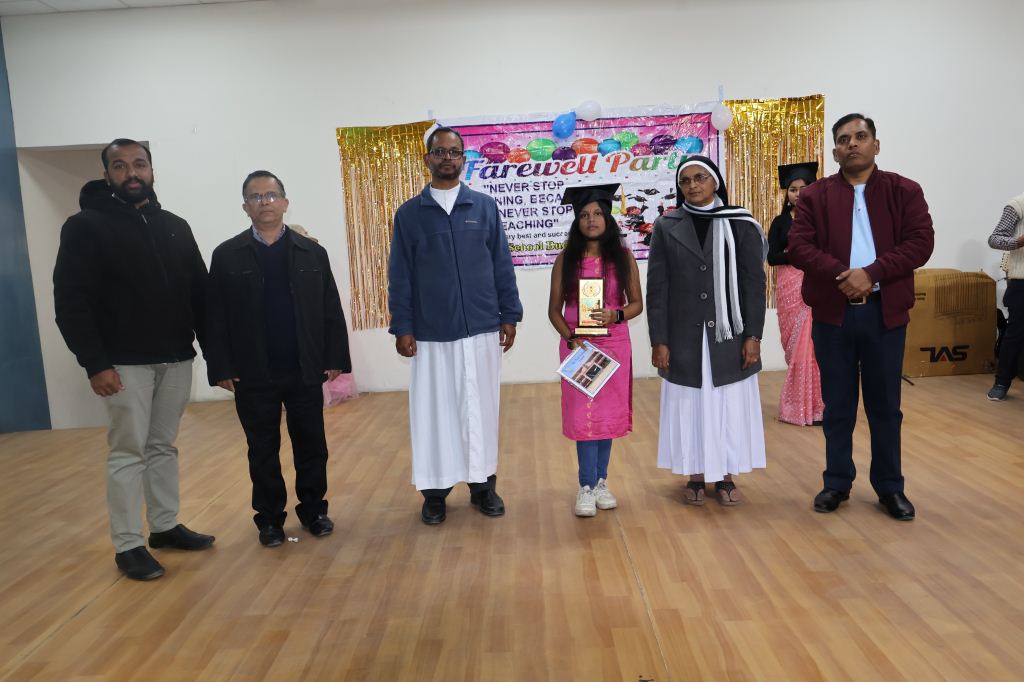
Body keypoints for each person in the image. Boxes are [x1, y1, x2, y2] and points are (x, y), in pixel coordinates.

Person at [53, 138, 214, 581]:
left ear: (152, 170)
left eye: (139, 164)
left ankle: (164, 526)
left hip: (176, 358)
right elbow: (71, 302)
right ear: (107, 174)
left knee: (162, 446)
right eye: (120, 166)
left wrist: (215, 356)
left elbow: (200, 295)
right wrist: (95, 363)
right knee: (128, 451)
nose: (132, 173)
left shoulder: (175, 226)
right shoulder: (85, 227)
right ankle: (128, 545)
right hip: (123, 364)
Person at [788, 113, 934, 520]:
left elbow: (921, 242)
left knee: (885, 406)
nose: (852, 143)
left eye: (860, 136)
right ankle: (836, 482)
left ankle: (890, 487)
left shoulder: (904, 191)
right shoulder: (815, 196)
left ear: (876, 145)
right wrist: (844, 275)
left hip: (885, 314)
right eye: (843, 139)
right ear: (835, 151)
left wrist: (871, 273)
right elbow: (799, 247)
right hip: (833, 315)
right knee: (837, 405)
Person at [205, 171, 350, 547]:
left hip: (304, 367)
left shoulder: (311, 253)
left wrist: (335, 356)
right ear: (245, 207)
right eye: (255, 197)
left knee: (311, 445)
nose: (264, 202)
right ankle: (269, 520)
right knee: (262, 450)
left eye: (271, 195)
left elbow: (330, 309)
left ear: (285, 203)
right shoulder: (226, 255)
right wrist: (220, 366)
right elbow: (213, 317)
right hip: (253, 371)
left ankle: (314, 510)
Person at [388, 127, 523, 525]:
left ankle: (483, 487)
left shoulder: (484, 207)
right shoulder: (409, 215)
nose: (447, 158)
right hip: (431, 333)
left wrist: (509, 314)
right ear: (427, 159)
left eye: (454, 152)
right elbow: (400, 276)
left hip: (481, 327)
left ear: (464, 159)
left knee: (481, 410)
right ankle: (435, 493)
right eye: (440, 152)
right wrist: (403, 326)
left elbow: (501, 263)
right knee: (436, 414)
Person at [647, 155, 768, 506]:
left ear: (716, 183)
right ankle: (696, 474)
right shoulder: (666, 225)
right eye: (685, 181)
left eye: (700, 178)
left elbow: (753, 284)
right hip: (684, 336)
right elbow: (657, 289)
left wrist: (754, 336)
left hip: (729, 336)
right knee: (691, 406)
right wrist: (659, 340)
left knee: (727, 405)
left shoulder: (739, 222)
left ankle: (726, 476)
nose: (693, 185)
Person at [548, 184, 643, 517]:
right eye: (585, 215)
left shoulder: (623, 258)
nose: (591, 220)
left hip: (614, 345)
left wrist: (616, 315)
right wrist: (571, 338)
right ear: (577, 221)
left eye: (598, 213)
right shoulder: (566, 260)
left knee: (606, 417)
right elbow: (554, 311)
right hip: (579, 347)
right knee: (583, 416)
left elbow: (636, 304)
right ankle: (585, 486)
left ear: (608, 218)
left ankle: (602, 482)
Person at [767, 162, 825, 426]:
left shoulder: (822, 220)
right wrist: (799, 254)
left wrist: (797, 254)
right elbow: (772, 257)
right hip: (789, 286)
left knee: (815, 346)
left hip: (815, 284)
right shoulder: (780, 222)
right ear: (786, 193)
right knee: (796, 346)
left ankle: (818, 407)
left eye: (804, 188)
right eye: (793, 189)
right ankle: (796, 406)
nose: (799, 194)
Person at [986, 193, 1024, 401]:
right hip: (1022, 280)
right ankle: (1001, 382)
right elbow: (995, 239)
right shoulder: (1018, 205)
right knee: (1015, 333)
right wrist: (1019, 242)